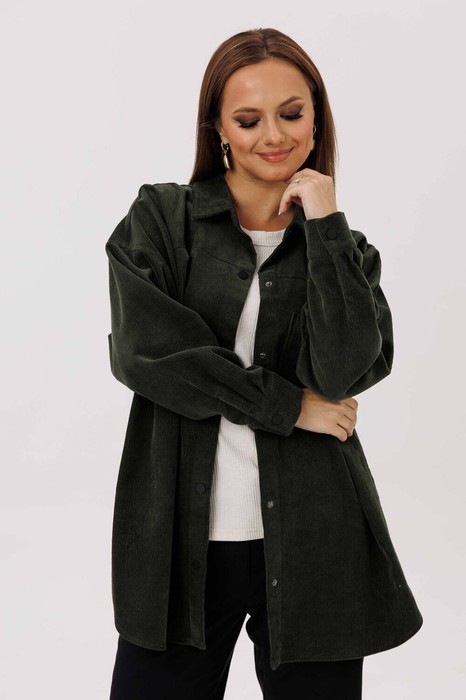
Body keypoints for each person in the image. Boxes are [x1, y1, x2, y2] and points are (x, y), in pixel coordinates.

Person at [105, 27, 423, 700]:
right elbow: (148, 353)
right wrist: (288, 407)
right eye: (248, 120)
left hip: (316, 540)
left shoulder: (347, 251)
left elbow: (345, 372)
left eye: (292, 113)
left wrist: (326, 226)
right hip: (179, 544)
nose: (273, 136)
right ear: (218, 129)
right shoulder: (162, 220)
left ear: (317, 120)